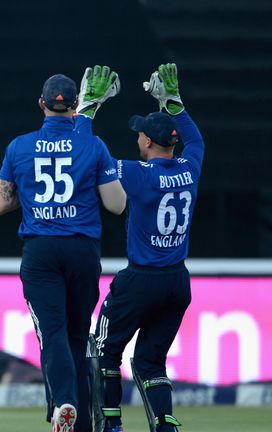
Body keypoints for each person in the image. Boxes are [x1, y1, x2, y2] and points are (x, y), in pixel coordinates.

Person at [0, 69, 127, 432]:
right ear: (74, 108)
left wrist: (32, 191)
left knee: (52, 334)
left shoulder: (19, 146)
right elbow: (116, 204)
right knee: (77, 337)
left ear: (42, 104)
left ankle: (63, 401)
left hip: (41, 251)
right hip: (82, 250)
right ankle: (79, 421)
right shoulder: (93, 145)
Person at [91, 64, 202, 432]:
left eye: (140, 134)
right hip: (177, 282)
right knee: (151, 362)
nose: (137, 136)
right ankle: (166, 427)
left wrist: (89, 108)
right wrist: (175, 104)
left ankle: (110, 425)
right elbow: (197, 142)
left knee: (104, 351)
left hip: (141, 280)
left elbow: (92, 155)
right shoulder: (190, 167)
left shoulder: (139, 173)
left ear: (149, 144)